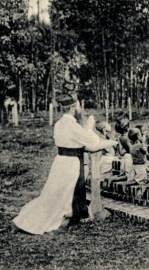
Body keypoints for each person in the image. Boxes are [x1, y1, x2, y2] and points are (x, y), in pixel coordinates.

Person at [12, 94, 117, 235]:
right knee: (63, 192)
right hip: (71, 163)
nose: (80, 110)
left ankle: (75, 214)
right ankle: (59, 217)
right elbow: (92, 142)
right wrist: (90, 128)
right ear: (73, 108)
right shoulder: (72, 126)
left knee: (54, 191)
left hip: (60, 161)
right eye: (79, 107)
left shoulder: (59, 124)